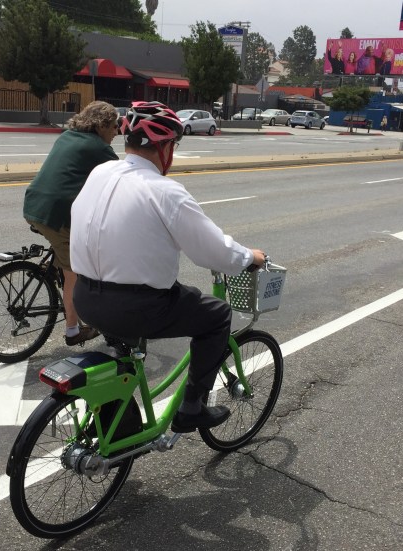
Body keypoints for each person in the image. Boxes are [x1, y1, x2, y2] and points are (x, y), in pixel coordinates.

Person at [70, 101, 266, 433]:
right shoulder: (165, 191)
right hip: (138, 307)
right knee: (217, 315)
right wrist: (249, 257)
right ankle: (192, 408)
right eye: (172, 145)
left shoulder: (100, 172)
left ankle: (117, 424)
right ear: (165, 147)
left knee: (125, 350)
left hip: (85, 298)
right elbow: (212, 250)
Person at [23, 100, 119, 346]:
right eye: (115, 126)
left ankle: (55, 270)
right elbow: (121, 181)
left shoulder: (68, 135)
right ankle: (73, 331)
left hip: (34, 205)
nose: (117, 132)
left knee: (67, 249)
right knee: (73, 274)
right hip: (57, 215)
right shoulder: (100, 148)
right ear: (102, 125)